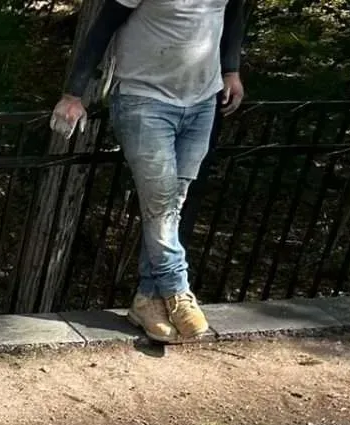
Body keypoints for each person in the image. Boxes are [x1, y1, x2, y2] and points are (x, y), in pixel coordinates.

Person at [52, 0, 247, 344]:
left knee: (173, 202)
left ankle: (147, 299)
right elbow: (102, 27)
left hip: (202, 102)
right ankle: (178, 290)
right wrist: (73, 94)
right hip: (144, 99)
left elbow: (232, 14)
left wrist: (230, 70)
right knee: (160, 202)